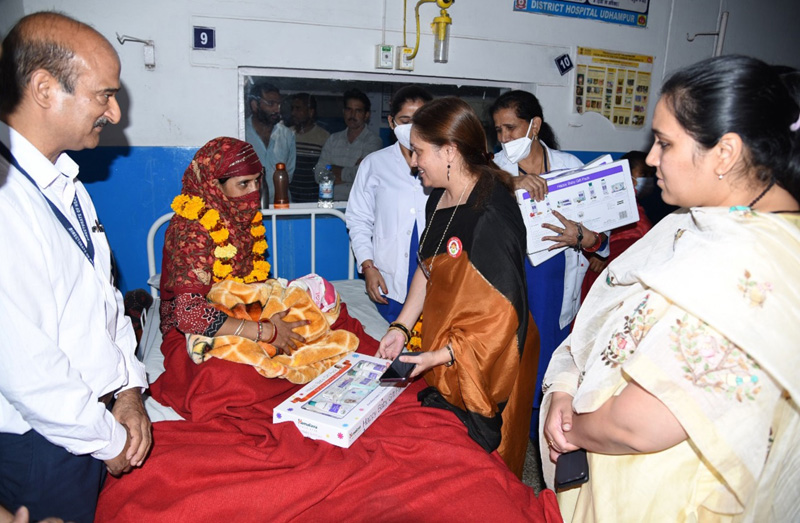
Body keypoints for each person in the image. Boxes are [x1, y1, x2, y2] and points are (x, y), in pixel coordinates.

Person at [542, 55, 800, 521]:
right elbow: (613, 319)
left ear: (725, 153)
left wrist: (575, 429)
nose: (652, 158)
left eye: (664, 143)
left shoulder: (748, 262)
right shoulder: (698, 223)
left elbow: (643, 424)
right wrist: (567, 384)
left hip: (665, 497)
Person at [0, 12, 151, 522]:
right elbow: (25, 366)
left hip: (93, 421)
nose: (113, 113)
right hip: (44, 443)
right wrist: (107, 438)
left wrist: (129, 392)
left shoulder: (68, 185)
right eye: (104, 94)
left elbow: (105, 303)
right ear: (45, 88)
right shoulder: (5, 200)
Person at [376, 97, 539, 478]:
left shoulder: (491, 213)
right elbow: (427, 269)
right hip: (452, 347)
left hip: (494, 356)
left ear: (449, 151)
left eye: (418, 152)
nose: (413, 161)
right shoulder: (439, 197)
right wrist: (401, 328)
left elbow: (502, 316)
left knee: (488, 473)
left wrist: (441, 355)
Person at [490, 90, 609, 433]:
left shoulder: (570, 167)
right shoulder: (495, 169)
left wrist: (580, 235)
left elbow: (600, 235)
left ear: (535, 125)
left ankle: (544, 430)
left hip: (558, 276)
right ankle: (512, 431)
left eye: (511, 128)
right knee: (514, 357)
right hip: (517, 274)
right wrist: (511, 183)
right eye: (498, 130)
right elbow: (475, 198)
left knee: (550, 360)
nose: (504, 138)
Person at [159, 137, 308, 354]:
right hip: (191, 332)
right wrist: (266, 332)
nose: (254, 192)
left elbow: (251, 283)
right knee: (235, 379)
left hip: (244, 312)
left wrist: (271, 308)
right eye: (244, 184)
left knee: (314, 320)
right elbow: (189, 315)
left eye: (258, 181)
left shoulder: (239, 217)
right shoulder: (191, 229)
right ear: (214, 186)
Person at [346, 85, 433, 322]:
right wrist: (368, 266)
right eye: (405, 120)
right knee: (392, 341)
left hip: (434, 269)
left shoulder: (444, 163)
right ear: (392, 122)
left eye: (421, 120)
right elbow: (358, 219)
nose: (413, 127)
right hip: (389, 274)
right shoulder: (375, 164)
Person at [580, 150, 653, 302]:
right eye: (643, 174)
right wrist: (599, 253)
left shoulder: (636, 205)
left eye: (651, 175)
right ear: (626, 174)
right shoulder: (612, 201)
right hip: (607, 265)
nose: (647, 180)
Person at [314, 89, 382, 201]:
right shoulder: (333, 139)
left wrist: (332, 170)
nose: (352, 115)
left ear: (366, 115)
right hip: (330, 204)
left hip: (359, 206)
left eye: (358, 111)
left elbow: (363, 175)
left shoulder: (373, 141)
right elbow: (318, 174)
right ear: (343, 112)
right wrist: (351, 172)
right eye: (349, 110)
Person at [244, 82, 296, 207]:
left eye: (279, 104)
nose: (277, 109)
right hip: (250, 209)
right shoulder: (241, 133)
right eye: (271, 104)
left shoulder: (287, 135)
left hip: (281, 207)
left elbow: (288, 175)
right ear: (255, 105)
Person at [289, 93, 329, 203]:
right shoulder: (286, 134)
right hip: (289, 200)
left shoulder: (324, 137)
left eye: (298, 109)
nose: (293, 113)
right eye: (292, 109)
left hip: (313, 200)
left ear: (311, 112)